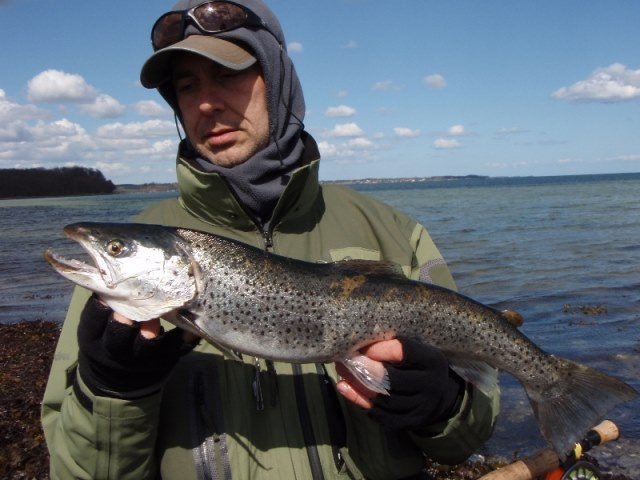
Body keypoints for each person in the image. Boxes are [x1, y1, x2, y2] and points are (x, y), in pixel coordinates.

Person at [41, 1, 500, 478]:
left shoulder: (395, 234)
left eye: (227, 74)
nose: (205, 103)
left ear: (278, 80)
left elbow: (471, 434)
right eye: (186, 86)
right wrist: (113, 390)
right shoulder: (115, 287)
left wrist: (445, 406)